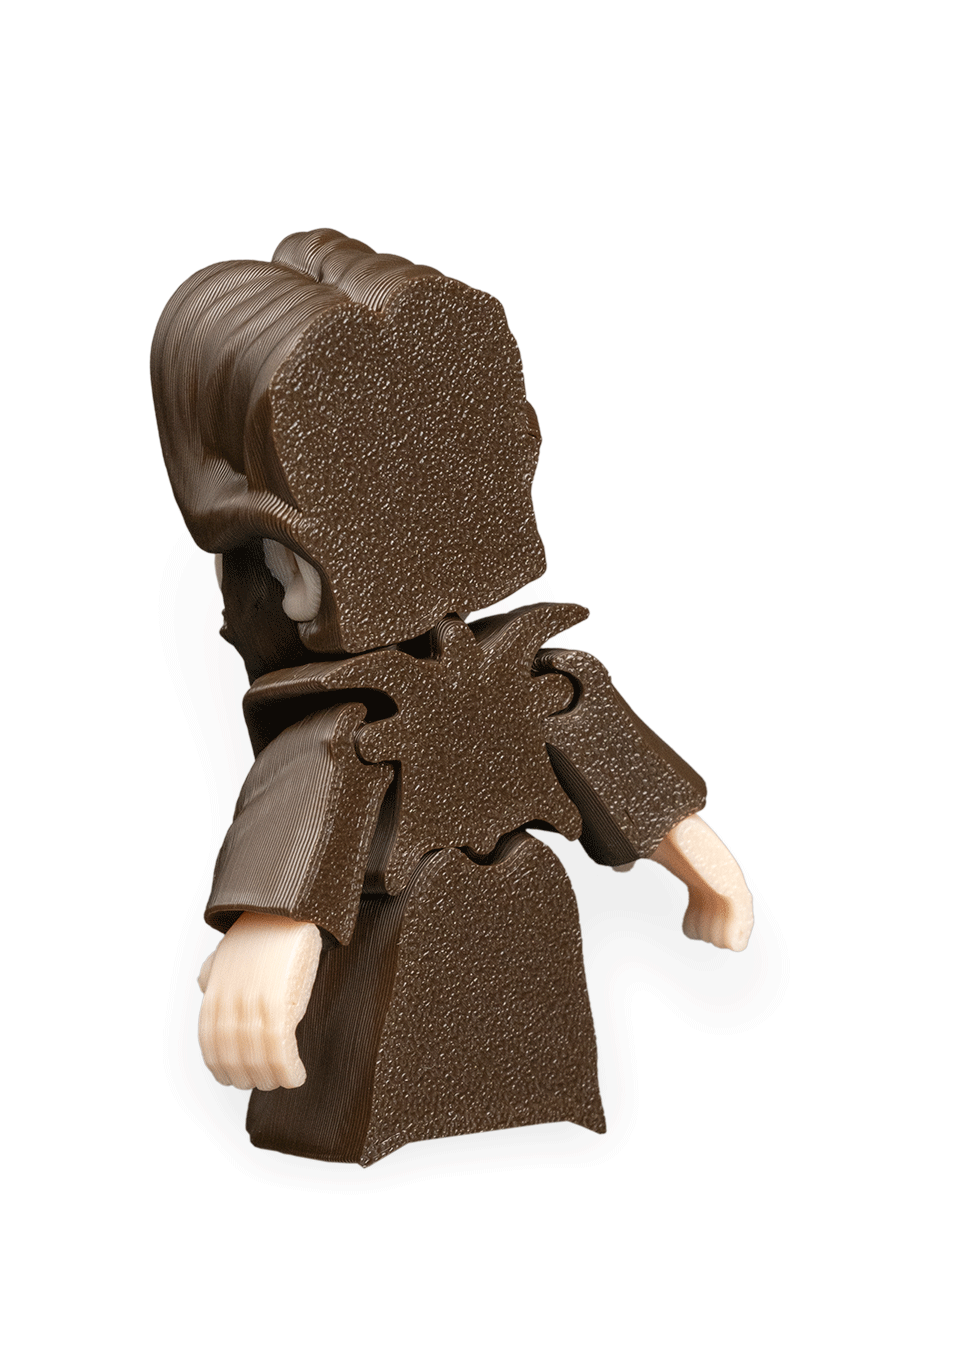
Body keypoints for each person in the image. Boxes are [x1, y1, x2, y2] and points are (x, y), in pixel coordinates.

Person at [152, 230, 753, 1165]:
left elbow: (599, 751)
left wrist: (701, 862)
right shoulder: (356, 723)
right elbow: (311, 801)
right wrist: (269, 928)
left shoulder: (524, 676)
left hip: (521, 944)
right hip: (393, 965)